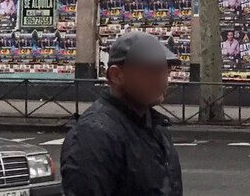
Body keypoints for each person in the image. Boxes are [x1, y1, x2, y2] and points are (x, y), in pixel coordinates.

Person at [61, 30, 184, 196]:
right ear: (116, 75)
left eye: (165, 71)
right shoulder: (93, 135)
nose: (161, 79)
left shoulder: (155, 126)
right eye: (150, 71)